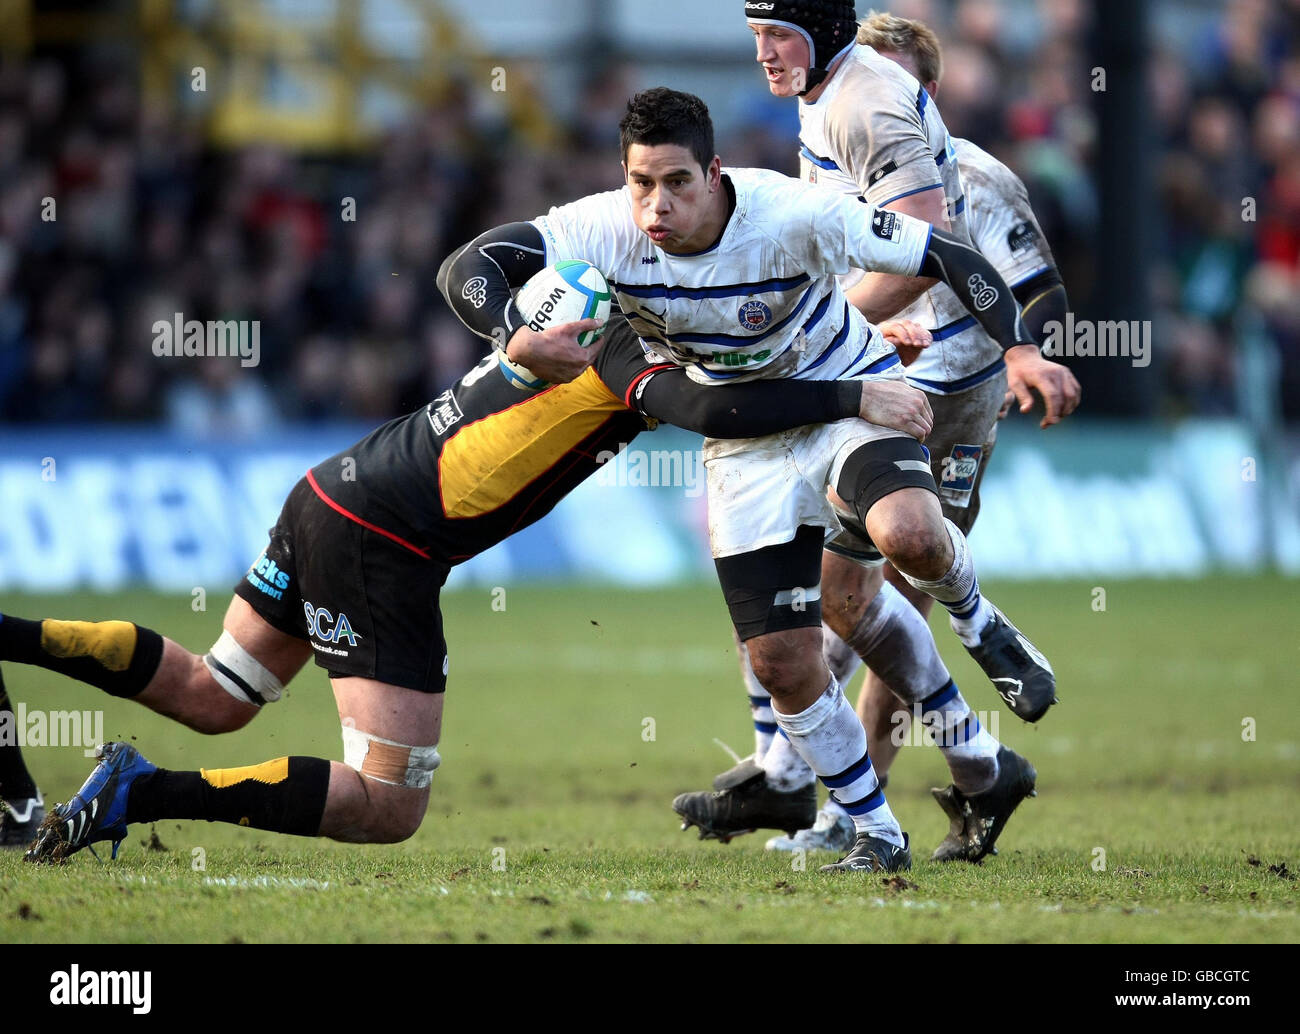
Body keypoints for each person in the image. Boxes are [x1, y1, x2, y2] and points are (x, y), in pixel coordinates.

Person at [13, 313, 917, 863]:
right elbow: (715, 406)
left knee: (215, 695)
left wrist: (864, 338)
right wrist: (853, 397)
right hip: (383, 544)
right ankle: (138, 792)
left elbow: (754, 351)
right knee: (386, 806)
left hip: (336, 487)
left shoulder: (582, 300)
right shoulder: (627, 341)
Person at [439, 86, 1056, 871]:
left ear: (716, 172)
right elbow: (471, 265)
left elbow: (950, 256)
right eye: (640, 184)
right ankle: (876, 830)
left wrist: (1020, 350)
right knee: (781, 660)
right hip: (747, 446)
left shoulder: (790, 214)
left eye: (676, 183)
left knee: (904, 534)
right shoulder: (598, 231)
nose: (656, 205)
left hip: (852, 400)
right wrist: (515, 337)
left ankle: (980, 625)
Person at [727, 1, 1080, 860]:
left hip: (952, 395)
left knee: (891, 592)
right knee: (851, 601)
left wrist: (1026, 354)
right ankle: (950, 778)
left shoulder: (971, 170)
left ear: (918, 91)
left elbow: (1032, 285)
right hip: (877, 378)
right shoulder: (824, 113)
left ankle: (850, 802)